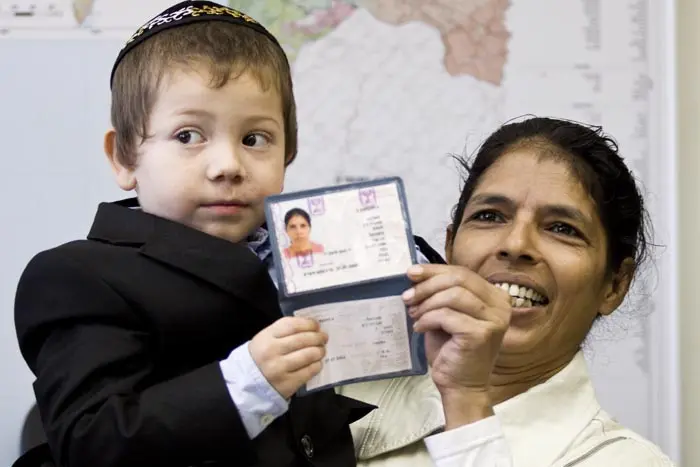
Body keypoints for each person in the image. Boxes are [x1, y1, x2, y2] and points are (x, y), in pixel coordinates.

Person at [13, 2, 378, 466]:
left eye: (255, 139)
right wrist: (250, 382)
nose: (228, 165)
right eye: (188, 136)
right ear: (124, 157)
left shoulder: (311, 256)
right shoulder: (78, 276)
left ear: (288, 155)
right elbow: (92, 442)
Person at [337, 117, 675, 466]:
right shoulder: (338, 391)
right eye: (489, 216)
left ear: (615, 285)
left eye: (562, 228)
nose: (515, 245)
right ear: (450, 247)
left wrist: (466, 400)